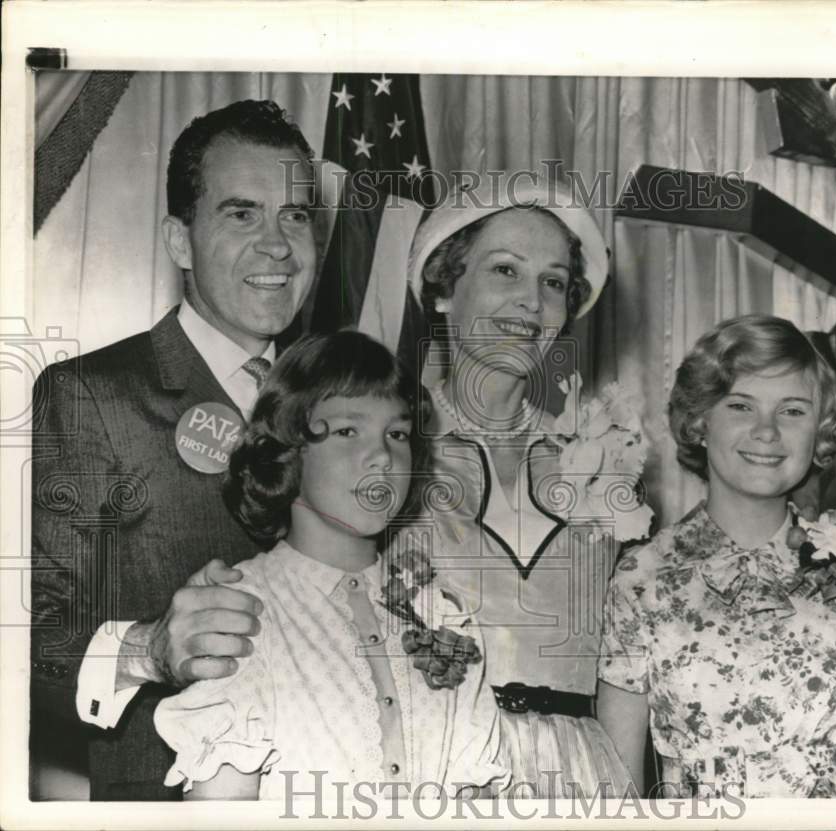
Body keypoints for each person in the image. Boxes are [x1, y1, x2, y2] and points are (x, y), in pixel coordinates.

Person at [31, 99, 319, 800]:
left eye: (296, 216)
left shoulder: (342, 401)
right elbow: (29, 637)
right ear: (180, 240)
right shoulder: (91, 395)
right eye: (241, 213)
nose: (278, 245)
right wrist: (149, 648)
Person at [153, 331, 507, 799]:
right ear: (285, 452)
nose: (382, 455)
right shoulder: (244, 614)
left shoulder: (442, 612)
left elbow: (476, 804)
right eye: (347, 431)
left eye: (397, 434)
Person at [406, 177, 646, 797]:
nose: (531, 304)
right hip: (434, 772)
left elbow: (630, 671)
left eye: (553, 282)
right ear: (442, 289)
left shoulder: (601, 462)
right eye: (505, 271)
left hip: (581, 782)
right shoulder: (387, 452)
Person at [598, 315, 836, 798]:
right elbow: (617, 788)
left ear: (819, 431)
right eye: (741, 405)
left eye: (793, 411)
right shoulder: (642, 577)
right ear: (699, 422)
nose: (767, 431)